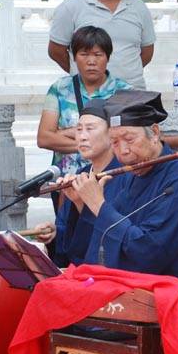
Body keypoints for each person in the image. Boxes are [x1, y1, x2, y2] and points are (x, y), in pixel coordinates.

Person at [66, 90, 178, 284]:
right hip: (127, 287)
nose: (123, 151)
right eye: (114, 142)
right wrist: (83, 204)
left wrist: (99, 205)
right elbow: (96, 246)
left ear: (155, 133)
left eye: (130, 139)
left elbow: (148, 252)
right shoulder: (129, 175)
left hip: (173, 290)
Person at [48, 0, 155, 89]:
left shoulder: (139, 8)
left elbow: (147, 52)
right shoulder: (70, 8)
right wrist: (84, 74)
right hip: (87, 96)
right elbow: (56, 51)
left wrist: (123, 77)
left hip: (133, 96)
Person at [37, 26, 131, 179]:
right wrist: (96, 144)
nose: (91, 61)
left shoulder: (125, 92)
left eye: (98, 54)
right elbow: (44, 138)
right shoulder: (60, 88)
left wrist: (66, 134)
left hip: (110, 178)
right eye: (84, 54)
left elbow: (126, 137)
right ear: (74, 57)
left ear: (108, 57)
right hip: (66, 180)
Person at [47, 99, 121, 266]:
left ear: (111, 134)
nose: (82, 136)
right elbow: (69, 242)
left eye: (90, 129)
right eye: (79, 129)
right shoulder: (81, 175)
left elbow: (114, 236)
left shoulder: (123, 175)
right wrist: (55, 234)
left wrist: (82, 205)